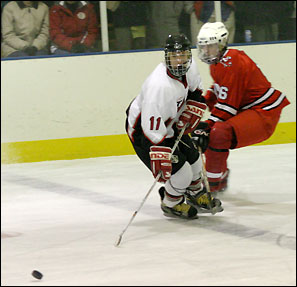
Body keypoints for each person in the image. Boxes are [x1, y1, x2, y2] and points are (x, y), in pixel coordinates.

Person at [125, 34, 223, 219]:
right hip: (146, 133)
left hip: (170, 121)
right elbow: (151, 129)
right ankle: (171, 203)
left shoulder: (191, 67)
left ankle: (195, 194)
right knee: (182, 174)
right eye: (175, 56)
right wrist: (160, 150)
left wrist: (194, 105)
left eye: (183, 55)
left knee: (194, 160)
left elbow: (195, 91)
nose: (180, 61)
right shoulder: (159, 87)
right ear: (167, 57)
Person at [192, 22, 290, 193]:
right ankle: (218, 176)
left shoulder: (232, 61)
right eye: (204, 46)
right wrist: (204, 100)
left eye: (211, 46)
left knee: (218, 132)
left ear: (221, 44)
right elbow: (220, 88)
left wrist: (207, 124)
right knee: (215, 131)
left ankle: (212, 186)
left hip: (263, 112)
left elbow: (228, 106)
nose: (206, 51)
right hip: (249, 109)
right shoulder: (220, 61)